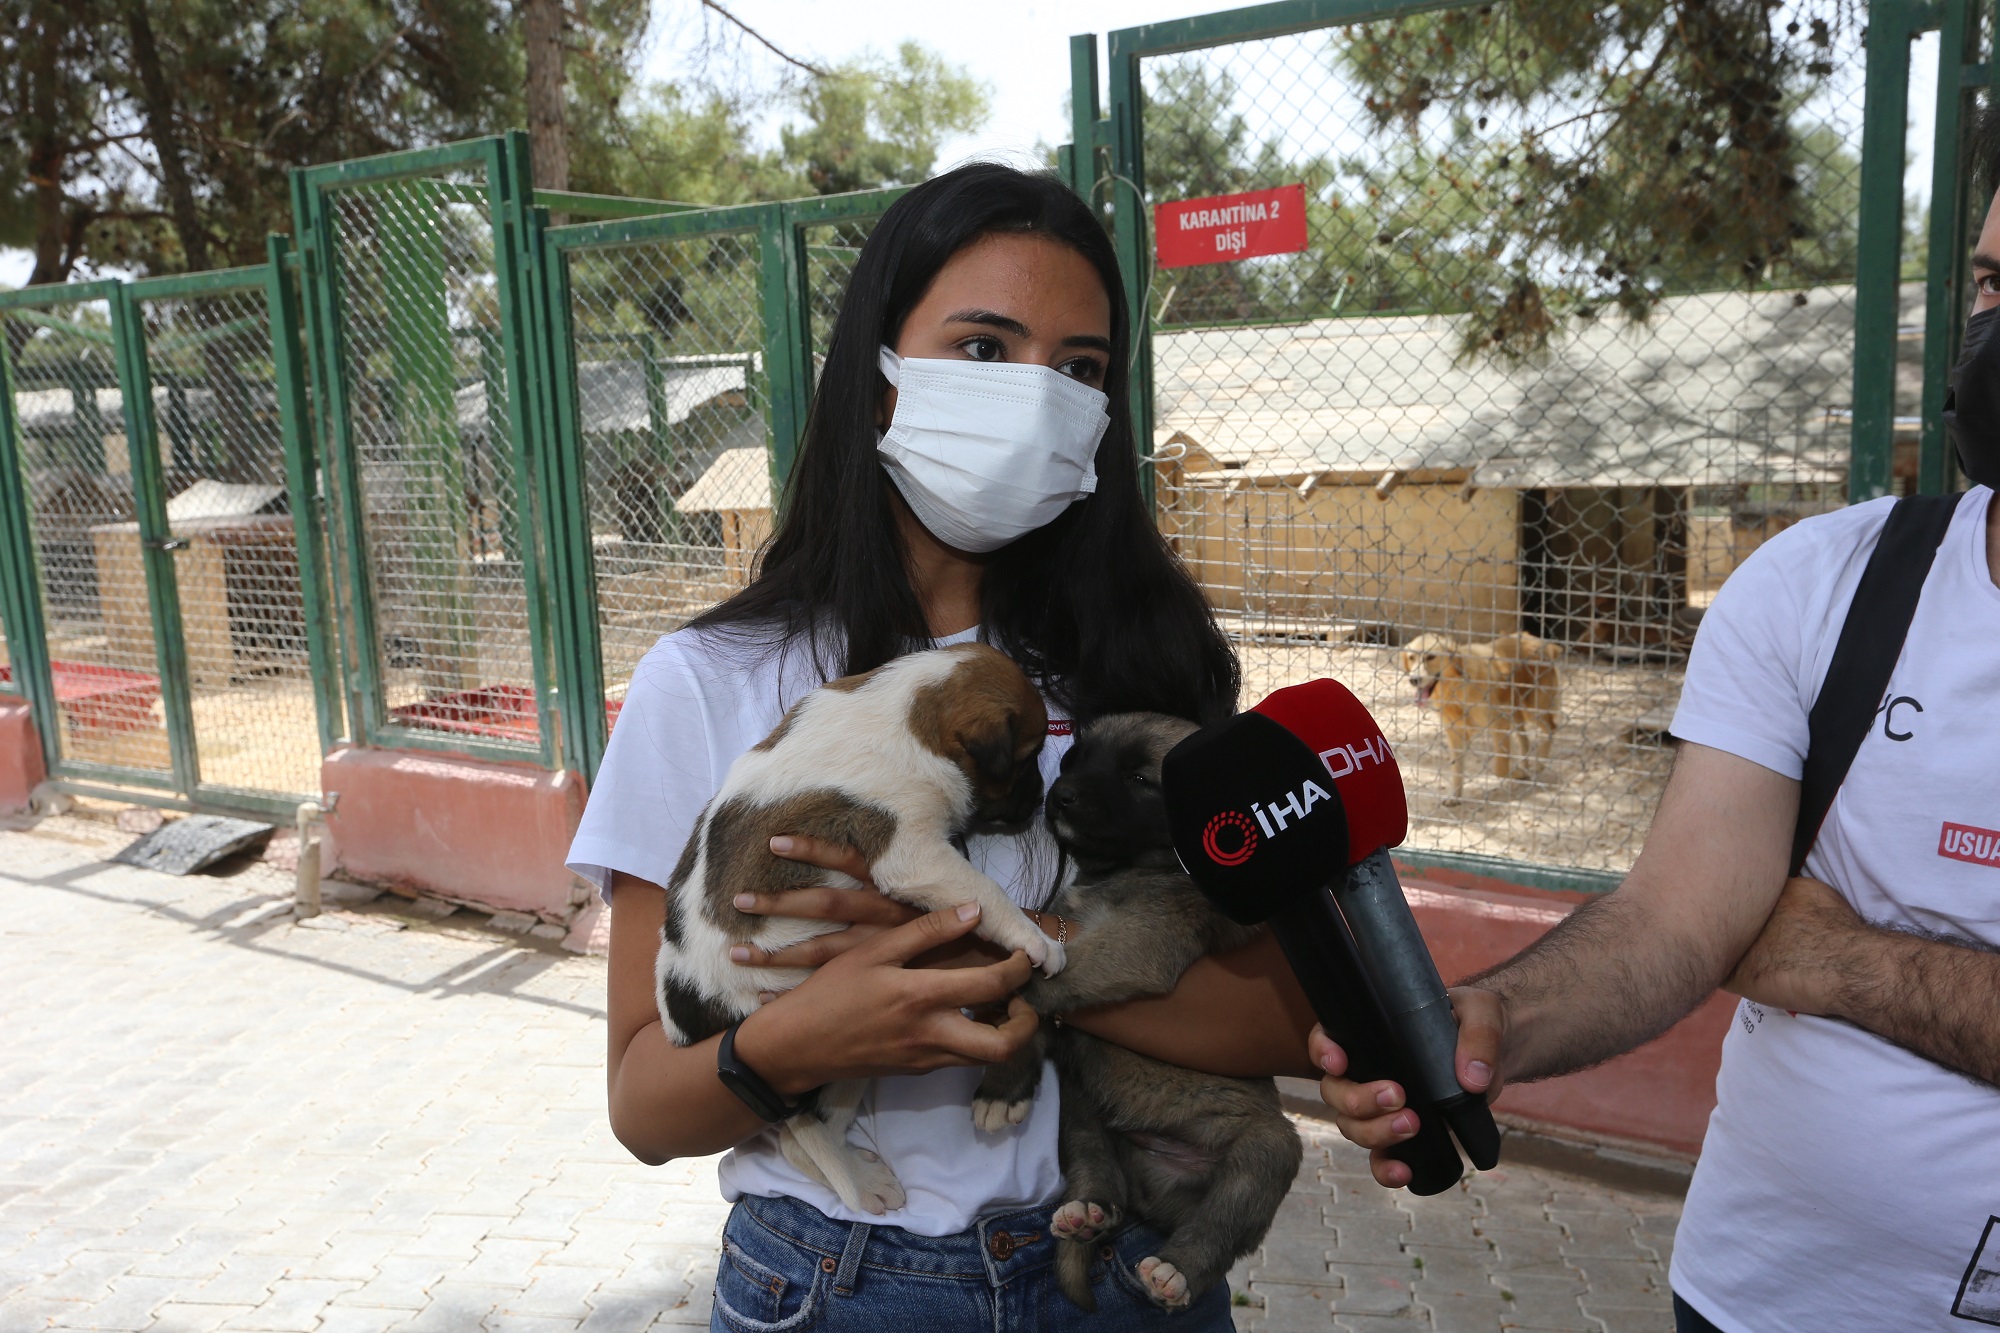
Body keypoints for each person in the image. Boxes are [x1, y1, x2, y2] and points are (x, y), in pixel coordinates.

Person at [569, 163, 1318, 1331]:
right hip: (837, 1280)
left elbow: (1284, 1019)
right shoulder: (711, 681)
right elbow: (642, 1104)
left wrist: (998, 957)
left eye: (1078, 370)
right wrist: (796, 1039)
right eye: (981, 348)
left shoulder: (1146, 669)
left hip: (1121, 1255)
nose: (1035, 398)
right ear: (876, 381)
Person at [1313, 114, 2000, 1332]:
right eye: (1995, 285)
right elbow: (1679, 918)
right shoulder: (1821, 589)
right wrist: (1488, 1023)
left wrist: (1833, 958)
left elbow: (1770, 941)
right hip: (1754, 1296)